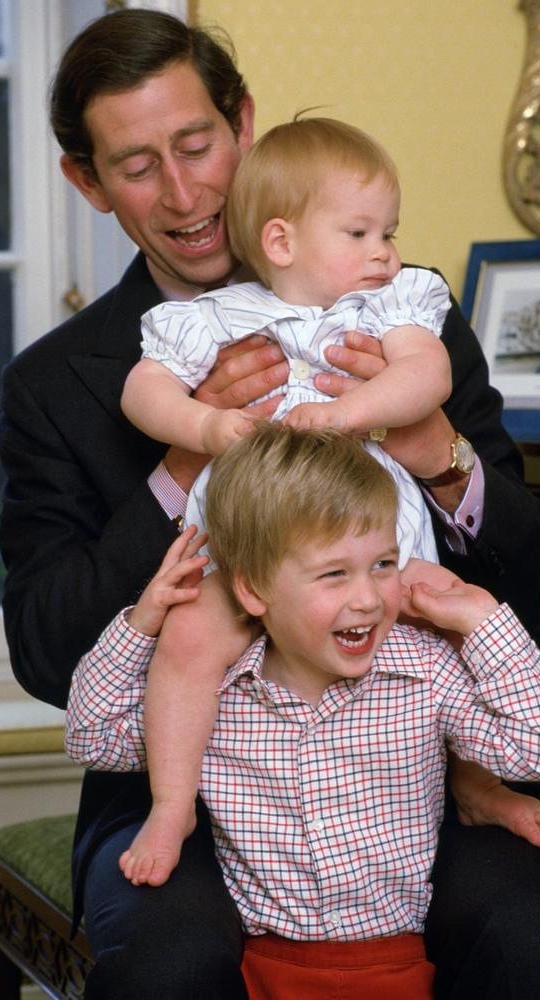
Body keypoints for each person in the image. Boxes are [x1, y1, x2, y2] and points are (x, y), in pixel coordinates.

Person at [0, 8, 540, 999]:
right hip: (184, 774)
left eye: (196, 145)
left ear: (243, 124)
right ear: (87, 183)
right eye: (138, 165)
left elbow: (523, 580)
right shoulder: (58, 384)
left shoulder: (399, 306)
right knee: (170, 966)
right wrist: (190, 461)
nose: (184, 193)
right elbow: (46, 651)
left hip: (407, 758)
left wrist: (437, 457)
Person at [65, 423, 540, 1000]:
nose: (367, 597)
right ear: (253, 592)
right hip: (259, 973)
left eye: (383, 564)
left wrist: (482, 618)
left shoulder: (422, 672)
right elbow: (92, 738)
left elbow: (539, 749)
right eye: (334, 574)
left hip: (398, 970)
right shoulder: (212, 698)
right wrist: (144, 620)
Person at [118, 116, 455, 884]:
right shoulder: (219, 318)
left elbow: (426, 377)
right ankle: (173, 803)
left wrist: (346, 415)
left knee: (441, 637)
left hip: (369, 544)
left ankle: (472, 782)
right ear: (281, 242)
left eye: (390, 232)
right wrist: (204, 423)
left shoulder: (392, 304)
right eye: (362, 232)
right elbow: (145, 389)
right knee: (189, 644)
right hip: (247, 548)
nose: (387, 252)